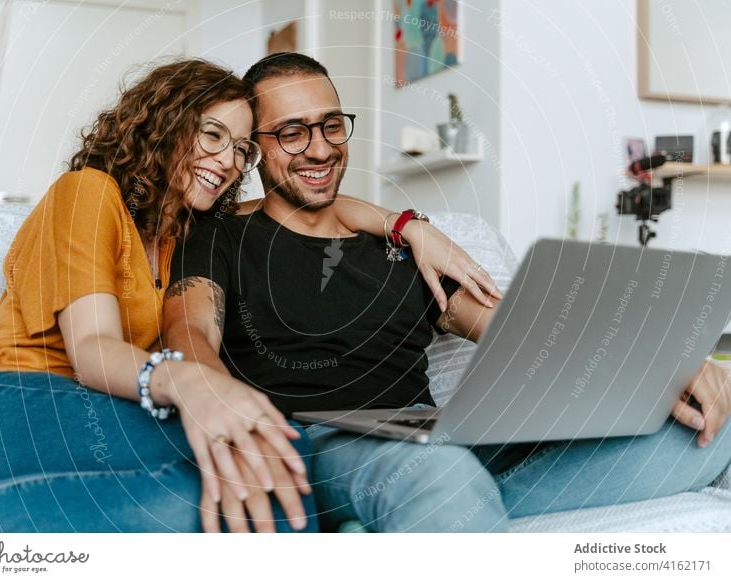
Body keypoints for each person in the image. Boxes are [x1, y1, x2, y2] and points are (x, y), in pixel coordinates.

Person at [164, 52, 731, 532]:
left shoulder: (411, 248)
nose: (319, 149)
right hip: (326, 439)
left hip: (440, 435)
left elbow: (528, 333)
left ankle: (438, 519)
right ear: (255, 148)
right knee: (441, 475)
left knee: (716, 421)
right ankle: (438, 508)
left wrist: (668, 364)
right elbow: (189, 331)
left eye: (332, 125)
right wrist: (215, 402)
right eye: (292, 132)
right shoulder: (220, 235)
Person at [0, 58, 495, 533]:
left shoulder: (184, 232)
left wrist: (406, 224)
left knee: (270, 487)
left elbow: (302, 209)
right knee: (277, 457)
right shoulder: (88, 194)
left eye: (241, 148)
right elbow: (94, 347)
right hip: (12, 402)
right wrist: (190, 383)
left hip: (108, 414)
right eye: (212, 135)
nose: (227, 161)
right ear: (165, 124)